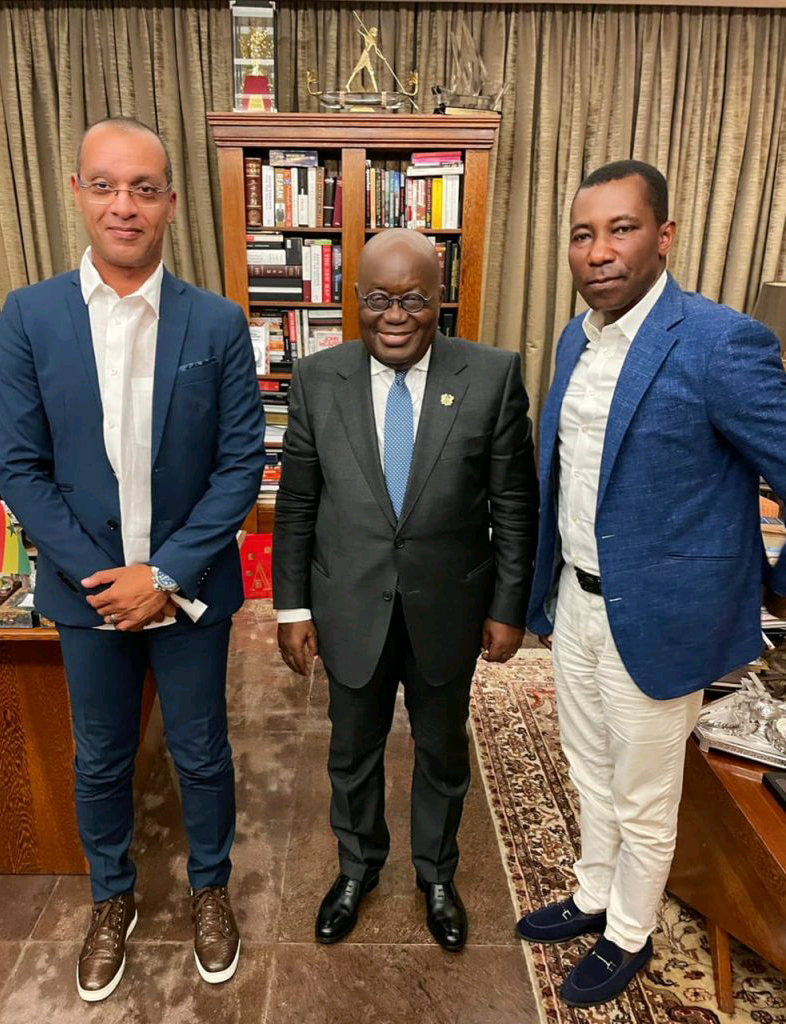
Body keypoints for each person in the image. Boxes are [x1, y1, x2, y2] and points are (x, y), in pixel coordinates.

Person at [0, 117, 265, 1001]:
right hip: (88, 595)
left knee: (201, 752)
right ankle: (112, 898)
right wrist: (105, 581)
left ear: (170, 204)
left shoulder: (216, 322)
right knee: (101, 758)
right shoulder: (31, 316)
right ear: (76, 192)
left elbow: (240, 465)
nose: (124, 205)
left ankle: (211, 889)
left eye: (144, 188)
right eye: (105, 185)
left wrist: (164, 575)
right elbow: (18, 464)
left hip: (188, 591)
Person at [521, 159, 786, 1008]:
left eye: (621, 229)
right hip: (575, 602)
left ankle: (628, 934)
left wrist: (773, 585)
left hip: (663, 619)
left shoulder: (718, 343)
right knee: (586, 766)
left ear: (663, 236)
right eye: (581, 234)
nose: (598, 251)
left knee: (642, 793)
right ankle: (593, 892)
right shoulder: (575, 338)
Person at [272, 228, 539, 952]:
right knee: (351, 752)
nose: (395, 316)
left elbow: (515, 505)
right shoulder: (316, 378)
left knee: (441, 752)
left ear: (439, 301)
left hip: (448, 607)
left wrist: (508, 606)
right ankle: (356, 869)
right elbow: (296, 505)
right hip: (347, 606)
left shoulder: (490, 375)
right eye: (379, 300)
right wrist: (292, 607)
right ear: (354, 299)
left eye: (414, 300)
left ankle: (437, 876)